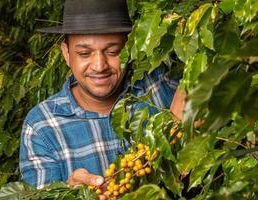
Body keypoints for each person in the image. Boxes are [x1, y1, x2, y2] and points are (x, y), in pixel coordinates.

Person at [19, 0, 185, 197]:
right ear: (66, 53)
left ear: (129, 49)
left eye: (113, 52)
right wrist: (68, 194)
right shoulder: (42, 127)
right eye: (84, 53)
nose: (99, 66)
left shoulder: (161, 84)